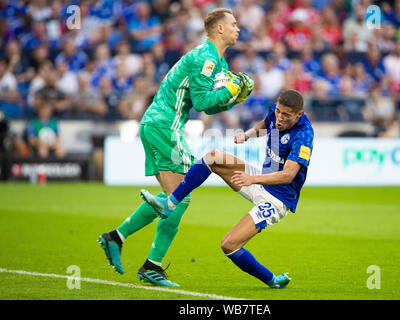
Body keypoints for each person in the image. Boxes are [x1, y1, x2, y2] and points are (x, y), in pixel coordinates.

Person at [98, 8, 252, 287]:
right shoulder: (206, 58)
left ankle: (116, 238)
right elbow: (204, 103)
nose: (238, 28)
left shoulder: (215, 59)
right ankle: (151, 266)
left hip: (157, 123)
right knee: (181, 196)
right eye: (233, 24)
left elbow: (208, 104)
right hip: (165, 124)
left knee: (172, 196)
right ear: (219, 29)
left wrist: (235, 98)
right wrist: (232, 89)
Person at [141, 90, 314, 288]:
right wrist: (248, 135)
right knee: (213, 157)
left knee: (229, 245)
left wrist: (252, 178)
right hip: (258, 180)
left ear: (299, 114)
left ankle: (272, 280)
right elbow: (266, 125)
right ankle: (169, 204)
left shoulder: (304, 135)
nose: (280, 118)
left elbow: (288, 175)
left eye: (286, 115)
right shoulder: (276, 111)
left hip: (276, 200)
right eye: (279, 112)